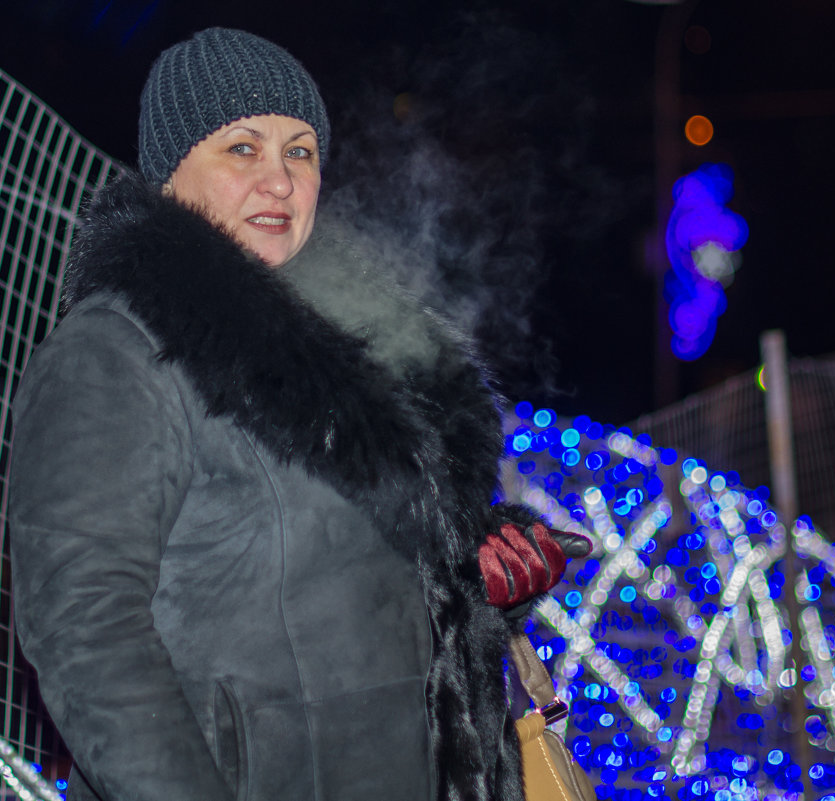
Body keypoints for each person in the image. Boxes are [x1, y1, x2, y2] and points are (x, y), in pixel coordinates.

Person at [7, 27, 588, 801]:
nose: (279, 181)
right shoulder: (115, 352)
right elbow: (83, 631)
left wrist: (478, 572)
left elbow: (343, 584)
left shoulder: (360, 351)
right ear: (170, 173)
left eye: (301, 152)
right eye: (242, 149)